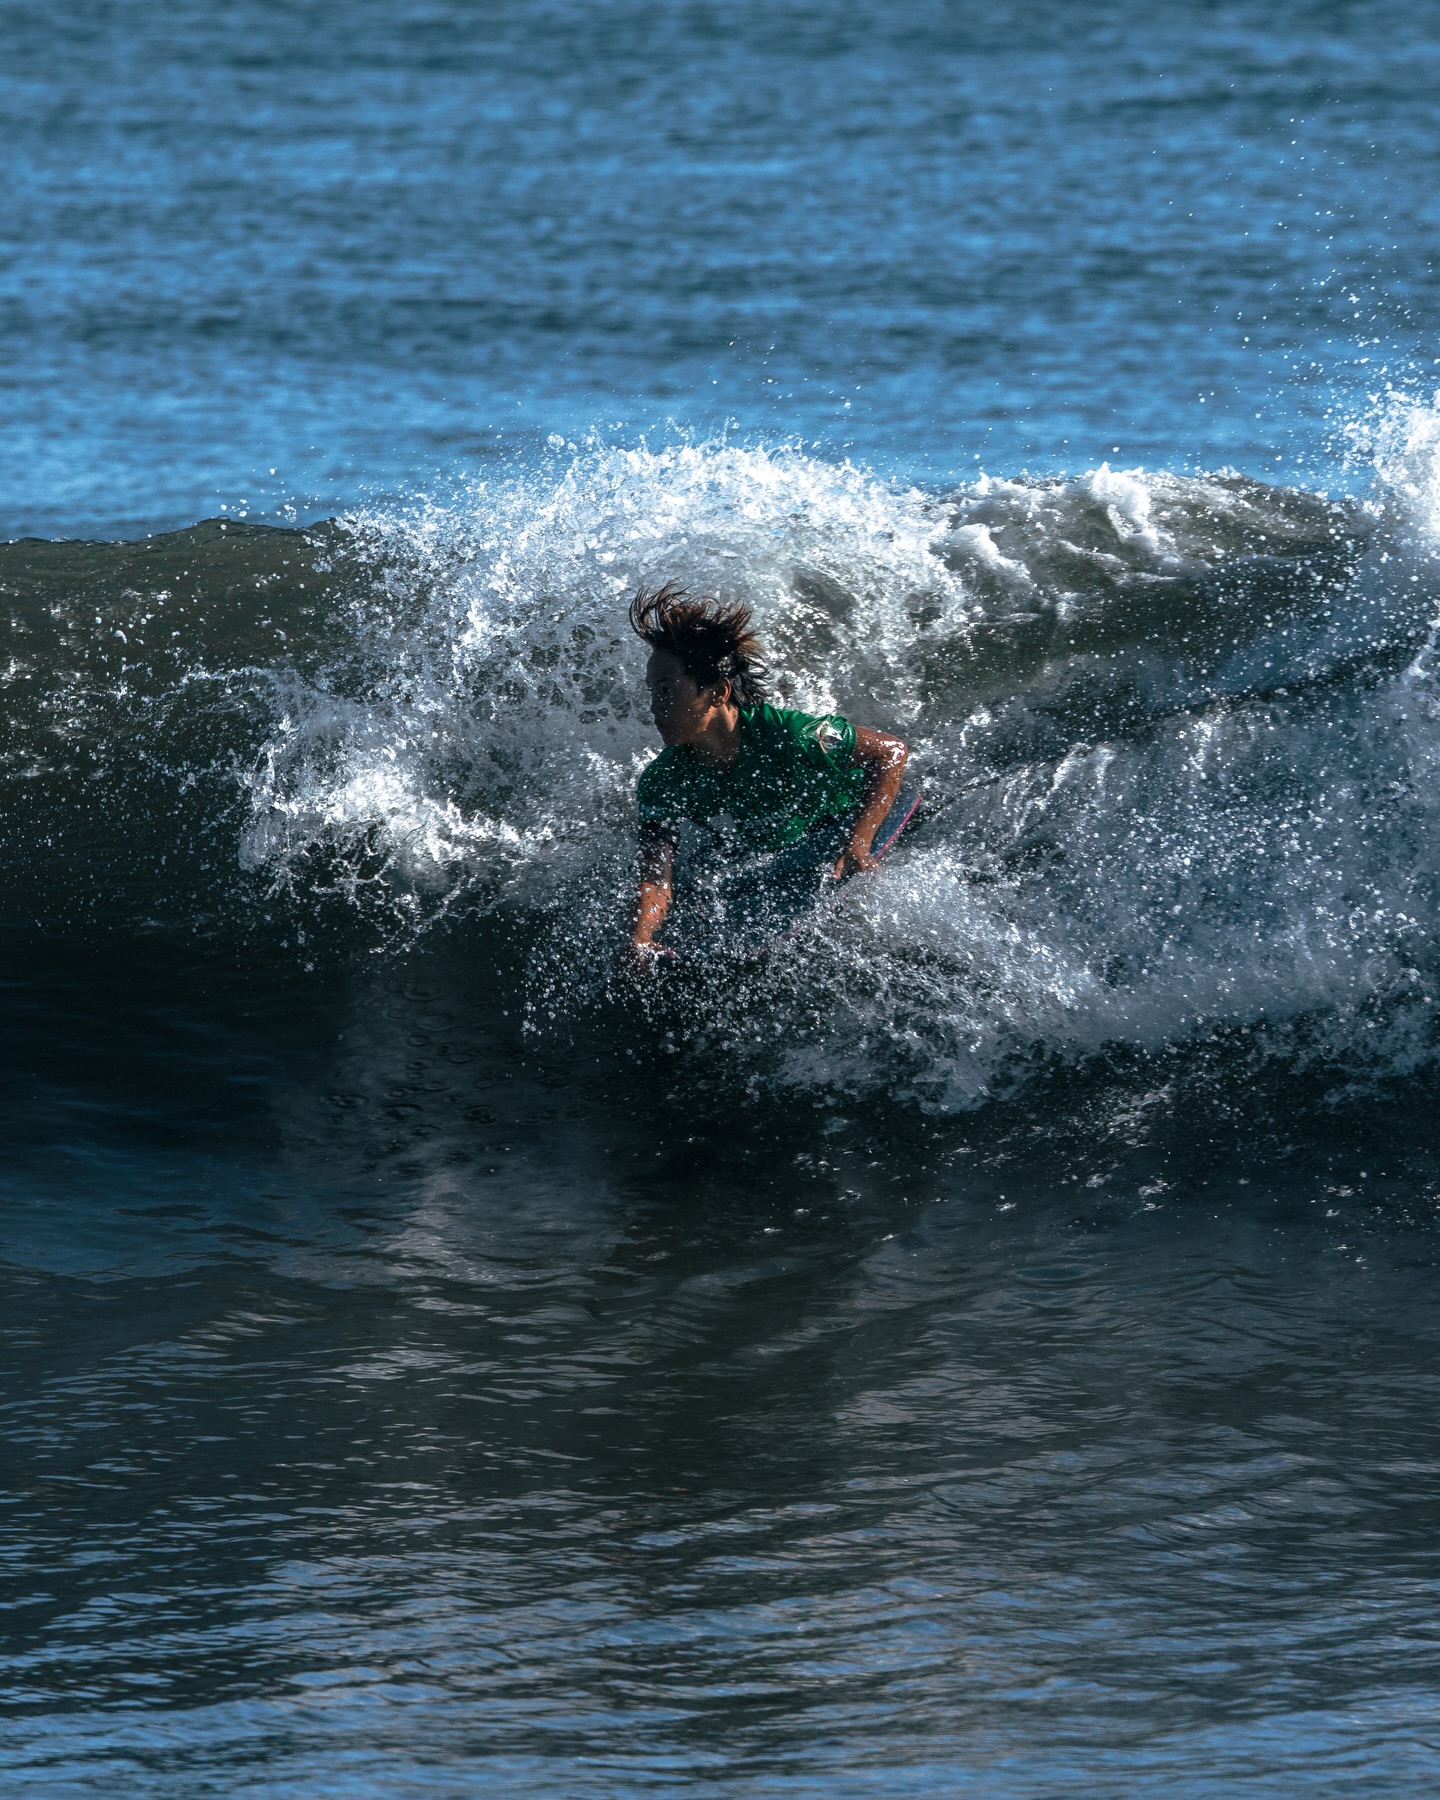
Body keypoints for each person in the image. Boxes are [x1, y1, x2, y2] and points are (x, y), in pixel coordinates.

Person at [622, 583, 909, 973]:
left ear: (717, 693)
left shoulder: (794, 735)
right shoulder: (663, 781)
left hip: (840, 822)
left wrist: (859, 844)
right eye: (653, 693)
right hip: (771, 851)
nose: (656, 708)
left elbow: (891, 753)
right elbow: (657, 880)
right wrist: (641, 935)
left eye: (668, 691)